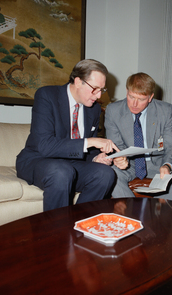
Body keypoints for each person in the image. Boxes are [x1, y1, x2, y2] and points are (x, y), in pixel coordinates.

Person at [16, 59, 120, 211]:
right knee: (62, 171)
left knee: (105, 174)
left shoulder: (93, 109)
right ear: (78, 82)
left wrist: (97, 157)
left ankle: (79, 225)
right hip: (38, 159)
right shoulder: (47, 96)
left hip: (70, 164)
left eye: (101, 90)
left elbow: (85, 150)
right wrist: (89, 141)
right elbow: (45, 145)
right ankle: (57, 232)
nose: (98, 96)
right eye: (95, 89)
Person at [105, 72, 172, 201]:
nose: (134, 104)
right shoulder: (113, 110)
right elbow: (117, 145)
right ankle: (134, 214)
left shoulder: (165, 110)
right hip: (129, 163)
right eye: (131, 96)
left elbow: (171, 145)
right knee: (109, 174)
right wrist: (120, 158)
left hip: (158, 162)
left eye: (141, 99)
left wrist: (167, 165)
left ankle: (158, 212)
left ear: (150, 97)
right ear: (127, 91)